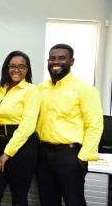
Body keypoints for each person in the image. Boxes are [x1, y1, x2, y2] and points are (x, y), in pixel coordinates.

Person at [36, 43, 103, 206]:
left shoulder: (85, 89)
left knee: (74, 201)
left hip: (70, 156)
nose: (56, 62)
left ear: (71, 61)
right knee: (47, 201)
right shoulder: (40, 89)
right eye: (52, 58)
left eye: (61, 58)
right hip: (42, 155)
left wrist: (83, 156)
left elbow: (95, 125)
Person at [0, 51, 40, 206]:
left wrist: (6, 154)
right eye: (13, 66)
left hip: (22, 147)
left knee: (18, 196)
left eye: (21, 66)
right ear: (7, 68)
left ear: (27, 69)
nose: (17, 70)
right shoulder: (0, 90)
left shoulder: (31, 90)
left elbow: (27, 126)